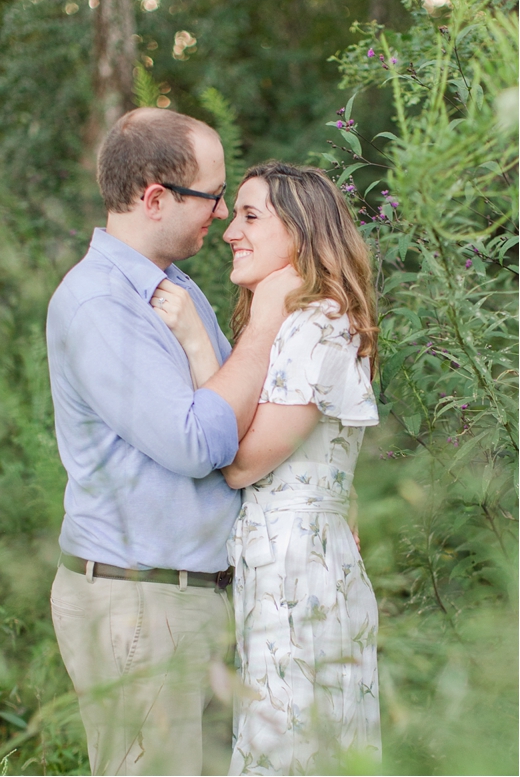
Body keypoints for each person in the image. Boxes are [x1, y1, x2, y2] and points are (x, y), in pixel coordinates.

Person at [45, 107, 300, 776]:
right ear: (155, 197)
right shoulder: (99, 304)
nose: (220, 215)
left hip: (193, 597)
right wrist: (268, 321)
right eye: (212, 197)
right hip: (138, 605)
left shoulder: (178, 291)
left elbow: (239, 424)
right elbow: (197, 442)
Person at [153, 162, 381, 775]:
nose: (231, 230)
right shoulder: (299, 322)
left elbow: (241, 464)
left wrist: (199, 344)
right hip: (289, 562)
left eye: (251, 216)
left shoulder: (316, 324)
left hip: (296, 568)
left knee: (291, 747)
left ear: (301, 235)